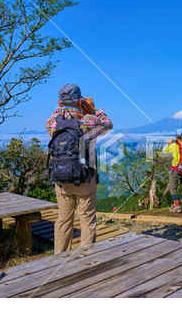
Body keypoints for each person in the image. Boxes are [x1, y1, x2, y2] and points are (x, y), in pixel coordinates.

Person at [46, 84, 112, 254]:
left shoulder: (53, 122)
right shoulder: (88, 121)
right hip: (85, 177)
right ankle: (86, 260)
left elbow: (50, 122)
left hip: (62, 179)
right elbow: (107, 124)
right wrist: (93, 109)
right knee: (87, 219)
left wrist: (61, 109)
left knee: (63, 219)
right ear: (80, 101)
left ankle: (59, 258)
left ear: (60, 102)